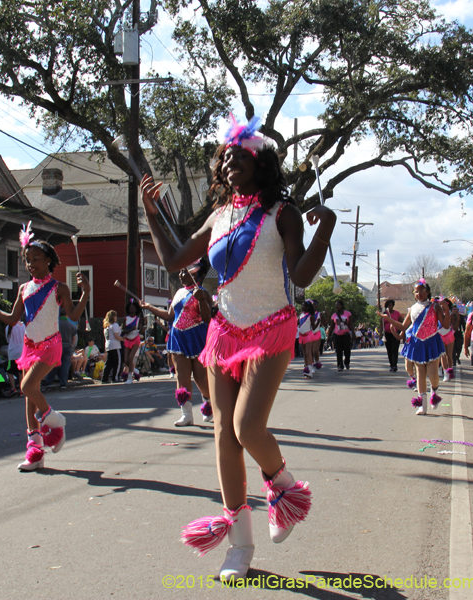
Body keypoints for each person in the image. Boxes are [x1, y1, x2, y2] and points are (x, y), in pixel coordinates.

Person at [140, 115, 335, 580]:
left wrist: (325, 228)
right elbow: (172, 260)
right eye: (225, 158)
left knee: (249, 427)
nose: (229, 163)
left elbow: (302, 275)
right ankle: (240, 546)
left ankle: (282, 485)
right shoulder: (219, 216)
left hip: (271, 329)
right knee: (225, 434)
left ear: (261, 162)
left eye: (239, 157)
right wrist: (151, 210)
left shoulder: (281, 213)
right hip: (223, 333)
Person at [0, 222, 89, 471]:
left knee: (27, 387)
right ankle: (35, 452)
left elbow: (73, 316)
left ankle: (56, 421)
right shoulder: (24, 288)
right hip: (29, 346)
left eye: (36, 259)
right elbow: (13, 319)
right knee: (28, 398)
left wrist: (86, 294)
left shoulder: (59, 288)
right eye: (28, 260)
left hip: (51, 345)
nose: (31, 264)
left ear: (49, 260)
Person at [141, 260, 213, 426]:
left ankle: (209, 404)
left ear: (194, 273)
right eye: (180, 272)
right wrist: (149, 307)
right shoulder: (179, 292)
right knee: (182, 377)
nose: (180, 275)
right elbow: (169, 316)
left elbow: (208, 318)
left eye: (184, 272)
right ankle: (186, 413)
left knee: (201, 379)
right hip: (178, 338)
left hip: (197, 338)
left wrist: (201, 300)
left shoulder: (203, 292)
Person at [381, 280, 450, 415]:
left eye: (421, 291)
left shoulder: (435, 307)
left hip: (431, 342)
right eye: (416, 291)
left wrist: (446, 309)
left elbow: (446, 325)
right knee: (420, 374)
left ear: (427, 292)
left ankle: (434, 391)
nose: (418, 293)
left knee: (433, 375)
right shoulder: (412, 309)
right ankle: (422, 405)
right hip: (417, 343)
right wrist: (387, 319)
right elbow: (403, 326)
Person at [120, 300, 145, 383]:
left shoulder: (138, 319)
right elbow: (123, 331)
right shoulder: (125, 319)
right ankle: (135, 371)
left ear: (136, 309)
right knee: (126, 360)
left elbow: (141, 331)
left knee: (131, 357)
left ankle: (130, 377)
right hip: (127, 339)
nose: (131, 309)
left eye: (133, 308)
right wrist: (131, 329)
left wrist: (145, 325)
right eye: (130, 308)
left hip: (135, 339)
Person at [297, 300, 321, 379]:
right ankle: (306, 369)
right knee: (304, 354)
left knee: (308, 353)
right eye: (302, 306)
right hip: (301, 336)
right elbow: (297, 324)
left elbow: (313, 327)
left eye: (303, 306)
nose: (302, 307)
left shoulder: (311, 316)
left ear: (307, 307)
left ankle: (310, 371)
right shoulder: (300, 315)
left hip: (308, 335)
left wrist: (318, 323)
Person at [329, 299, 354, 371]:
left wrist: (353, 333)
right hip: (337, 334)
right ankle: (340, 365)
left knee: (347, 350)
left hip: (346, 334)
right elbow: (332, 326)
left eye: (338, 305)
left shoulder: (348, 313)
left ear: (342, 305)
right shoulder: (334, 315)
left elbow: (351, 324)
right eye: (335, 305)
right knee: (338, 350)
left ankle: (347, 362)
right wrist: (329, 336)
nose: (336, 306)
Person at [101, 310, 123, 384]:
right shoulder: (114, 325)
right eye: (115, 316)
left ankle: (104, 378)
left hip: (108, 345)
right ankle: (115, 378)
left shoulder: (106, 327)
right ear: (113, 317)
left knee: (109, 363)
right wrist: (124, 339)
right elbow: (116, 336)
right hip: (115, 345)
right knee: (118, 362)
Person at [382, 299, 402, 373]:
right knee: (389, 349)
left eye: (391, 305)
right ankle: (391, 364)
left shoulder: (397, 313)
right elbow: (382, 324)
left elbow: (401, 322)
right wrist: (381, 334)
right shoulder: (384, 314)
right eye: (388, 305)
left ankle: (395, 365)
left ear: (393, 306)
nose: (390, 307)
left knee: (395, 349)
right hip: (387, 333)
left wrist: (401, 331)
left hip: (395, 333)